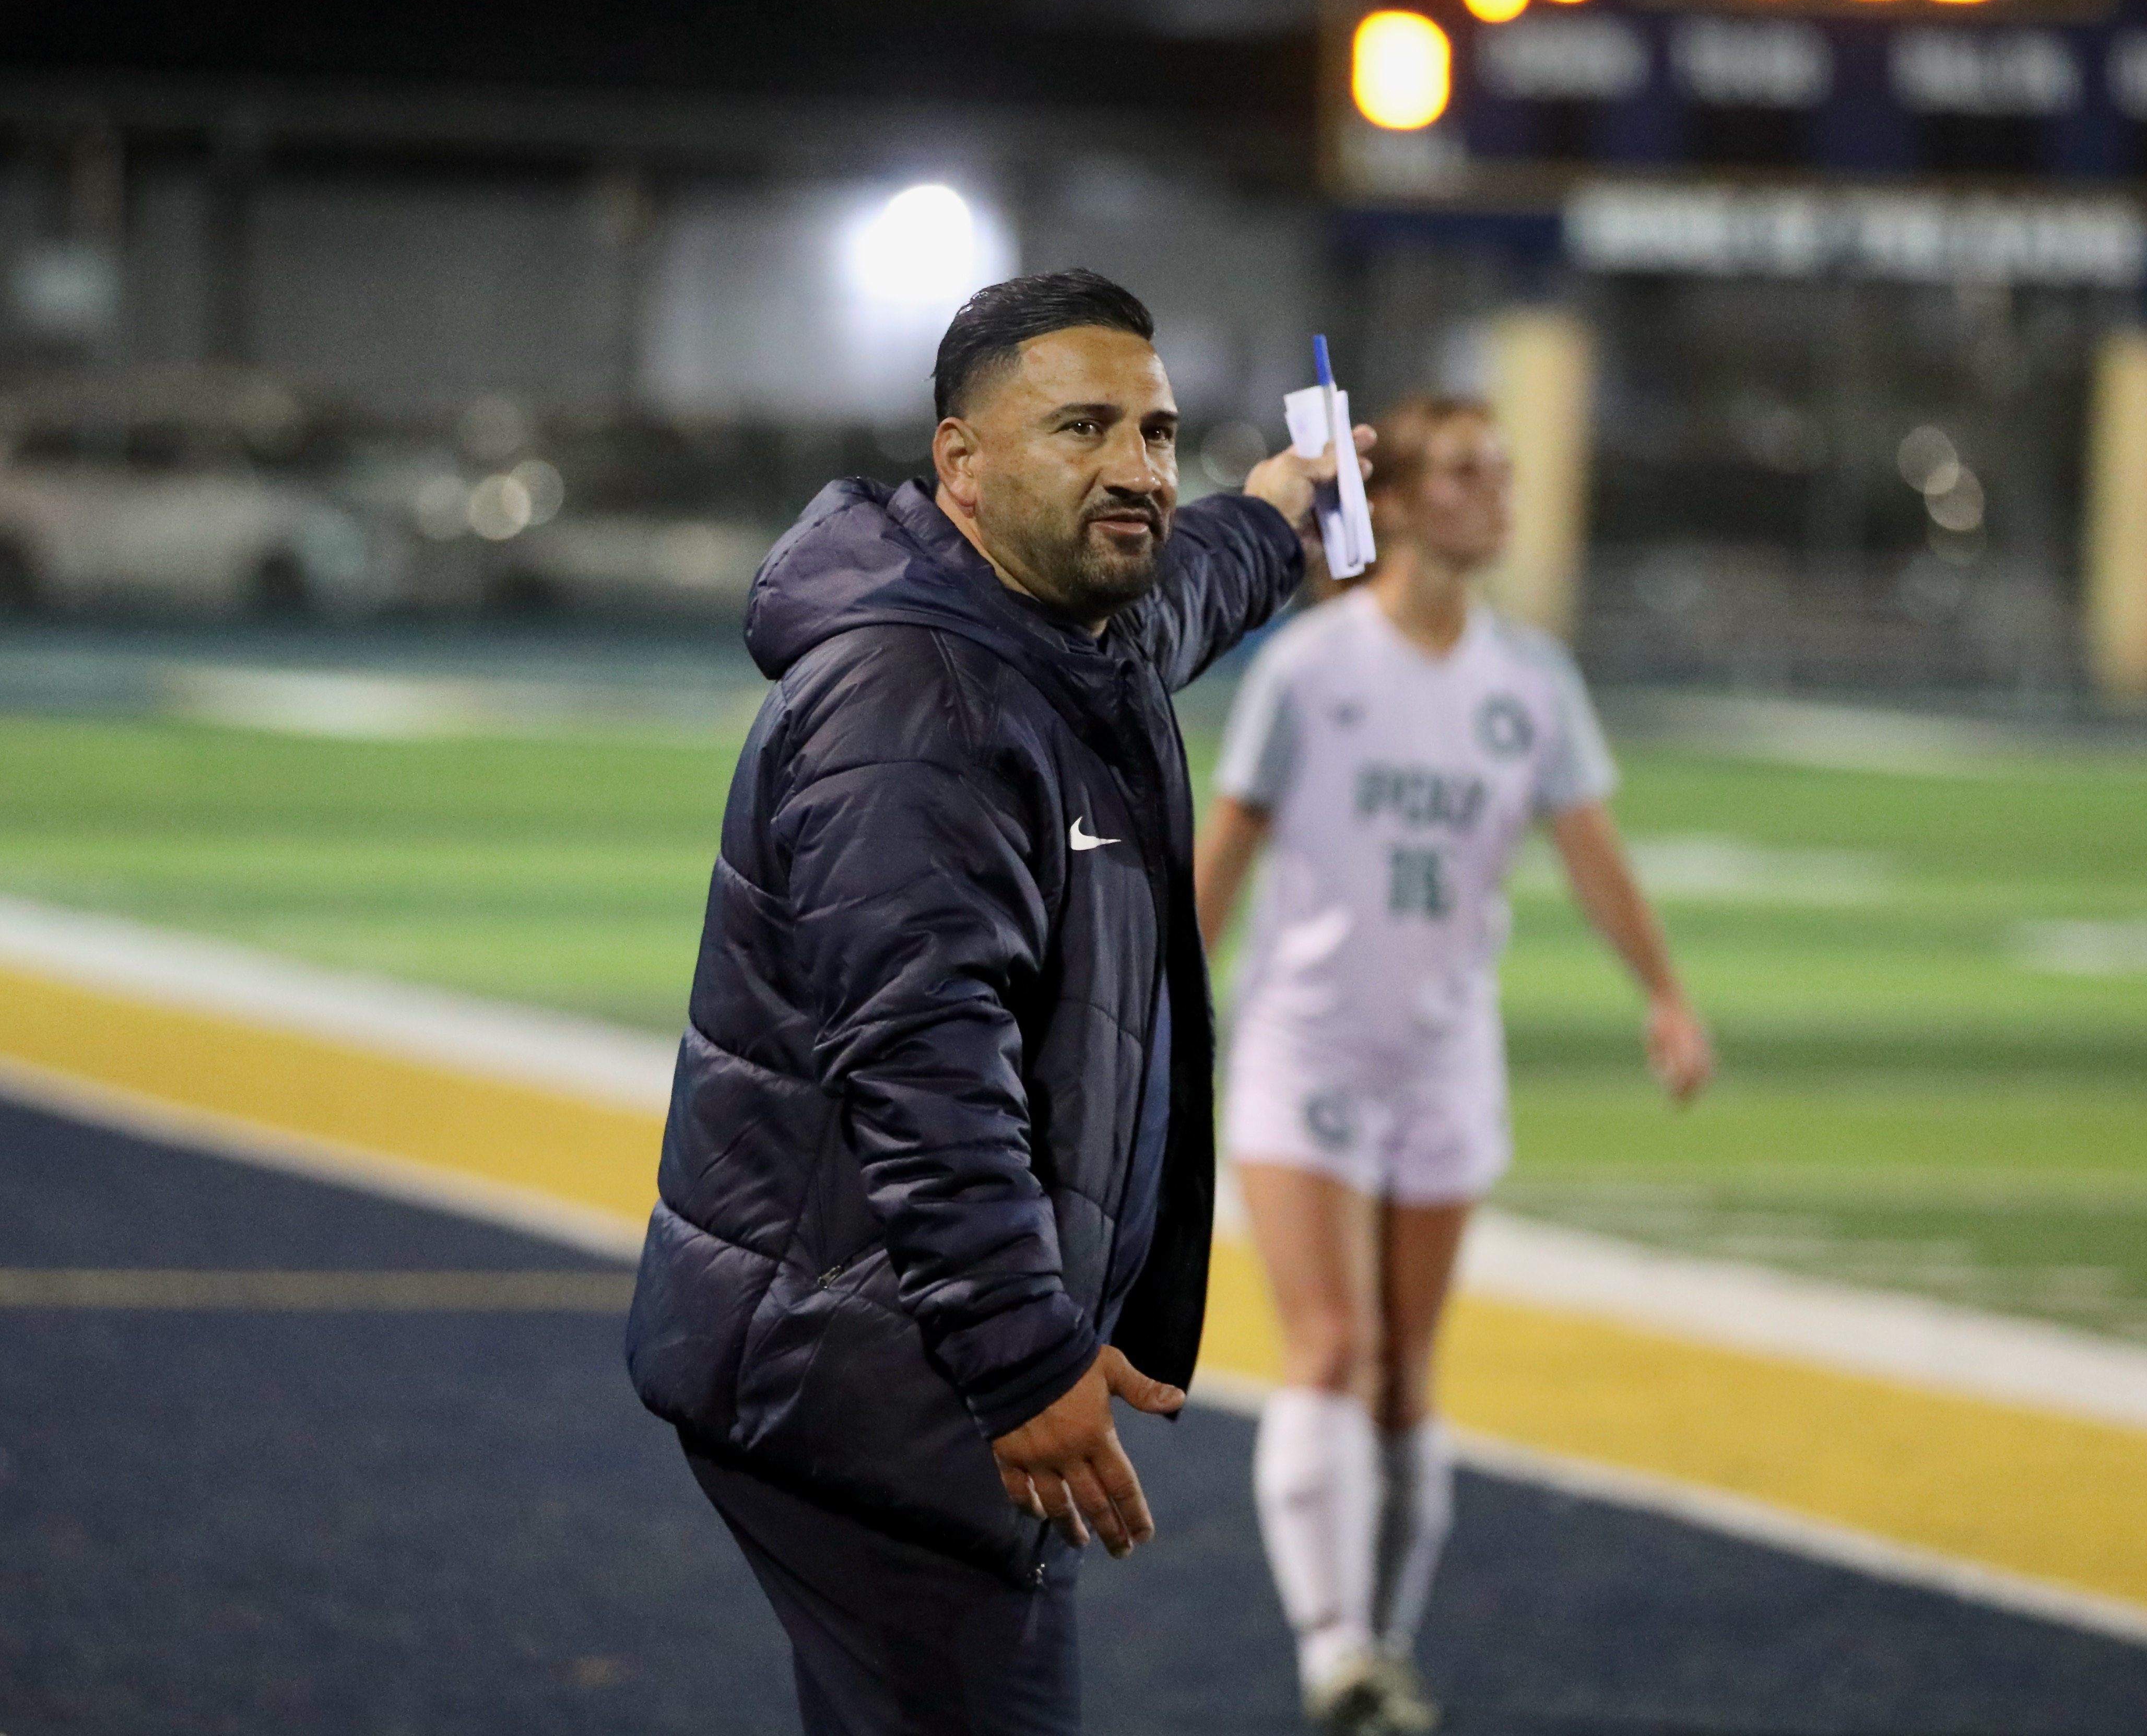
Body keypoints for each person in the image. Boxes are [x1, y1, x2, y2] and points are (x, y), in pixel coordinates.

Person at [627, 269, 1365, 1736]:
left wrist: (1280, 512)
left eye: (1154, 435)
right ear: (958, 463)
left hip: (883, 1341)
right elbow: (919, 1057)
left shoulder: (1060, 636)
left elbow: (1181, 593)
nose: (1134, 470)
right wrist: (1016, 1352)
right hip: (874, 1374)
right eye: (1080, 428)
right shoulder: (917, 699)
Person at [1194, 395, 1712, 1735]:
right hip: (1303, 1047)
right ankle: (1331, 1650)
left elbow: (1592, 850)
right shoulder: (1312, 669)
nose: (1502, 496)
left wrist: (1663, 994)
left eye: (1506, 473)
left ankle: (1385, 1642)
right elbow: (1224, 856)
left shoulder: (1530, 681)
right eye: (1472, 474)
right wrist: (1150, 1009)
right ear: (1406, 501)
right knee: (1331, 1346)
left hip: (1441, 1062)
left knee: (1408, 1375)